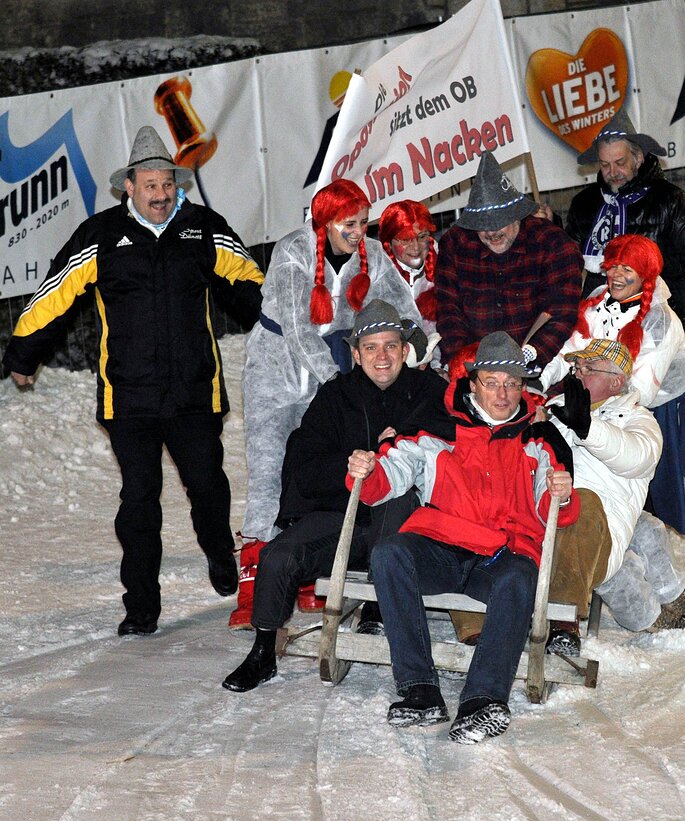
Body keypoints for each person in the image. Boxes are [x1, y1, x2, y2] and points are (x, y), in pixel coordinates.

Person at [2, 126, 265, 636]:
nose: (162, 195)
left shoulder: (202, 227)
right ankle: (141, 605)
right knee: (139, 501)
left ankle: (218, 550)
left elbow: (249, 281)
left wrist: (279, 325)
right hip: (129, 397)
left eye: (168, 184)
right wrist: (23, 352)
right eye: (151, 186)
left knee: (208, 486)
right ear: (130, 187)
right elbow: (54, 294)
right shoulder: (100, 235)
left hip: (195, 391)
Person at [347, 331, 579, 744]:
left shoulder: (541, 439)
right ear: (473, 384)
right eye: (492, 383)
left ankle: (484, 699)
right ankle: (419, 689)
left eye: (511, 384)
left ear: (523, 387)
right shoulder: (438, 427)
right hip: (443, 545)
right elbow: (392, 474)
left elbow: (553, 508)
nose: (503, 393)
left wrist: (560, 496)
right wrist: (367, 471)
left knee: (519, 577)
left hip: (503, 553)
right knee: (389, 555)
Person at [540, 234, 685, 606]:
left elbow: (640, 385)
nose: (617, 275)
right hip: (638, 412)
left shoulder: (658, 320)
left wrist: (581, 404)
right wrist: (539, 380)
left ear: (645, 276)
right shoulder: (596, 305)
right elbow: (572, 349)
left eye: (628, 269)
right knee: (674, 497)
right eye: (613, 265)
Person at [222, 300, 446, 692]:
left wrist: (398, 449)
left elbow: (455, 445)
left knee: (396, 498)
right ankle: (262, 650)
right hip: (342, 515)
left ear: (404, 349)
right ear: (356, 353)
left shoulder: (429, 391)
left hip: (401, 526)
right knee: (280, 555)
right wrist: (348, 466)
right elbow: (303, 465)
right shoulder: (334, 396)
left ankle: (381, 605)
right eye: (371, 347)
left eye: (391, 345)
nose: (382, 356)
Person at [239, 180, 424, 553]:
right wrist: (340, 385)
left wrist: (416, 351)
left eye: (363, 223)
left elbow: (405, 312)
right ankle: (257, 557)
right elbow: (295, 327)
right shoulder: (293, 250)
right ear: (325, 222)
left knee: (321, 464)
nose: (358, 233)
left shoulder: (372, 253)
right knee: (269, 462)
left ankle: (308, 554)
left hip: (336, 362)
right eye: (349, 224)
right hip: (277, 368)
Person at [543, 338, 685, 653]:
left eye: (588, 368)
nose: (578, 374)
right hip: (559, 516)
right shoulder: (556, 417)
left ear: (615, 382)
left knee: (643, 530)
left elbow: (636, 457)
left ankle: (673, 606)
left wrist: (588, 429)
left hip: (602, 519)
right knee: (620, 551)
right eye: (576, 367)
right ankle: (657, 615)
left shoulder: (638, 420)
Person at [566, 109, 685, 355]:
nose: (612, 171)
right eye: (605, 165)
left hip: (657, 317)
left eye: (620, 163)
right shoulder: (585, 204)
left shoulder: (669, 200)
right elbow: (564, 265)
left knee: (654, 389)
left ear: (638, 158)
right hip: (601, 321)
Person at [434, 151, 583, 367]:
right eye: (482, 225)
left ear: (517, 215)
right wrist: (466, 360)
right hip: (474, 365)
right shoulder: (455, 245)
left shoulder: (553, 243)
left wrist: (529, 359)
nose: (492, 232)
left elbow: (562, 314)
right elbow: (448, 313)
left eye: (499, 223)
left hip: (540, 364)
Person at [378, 199, 442, 367]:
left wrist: (438, 366)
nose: (415, 247)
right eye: (405, 240)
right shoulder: (374, 274)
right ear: (389, 243)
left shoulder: (446, 264)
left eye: (421, 237)